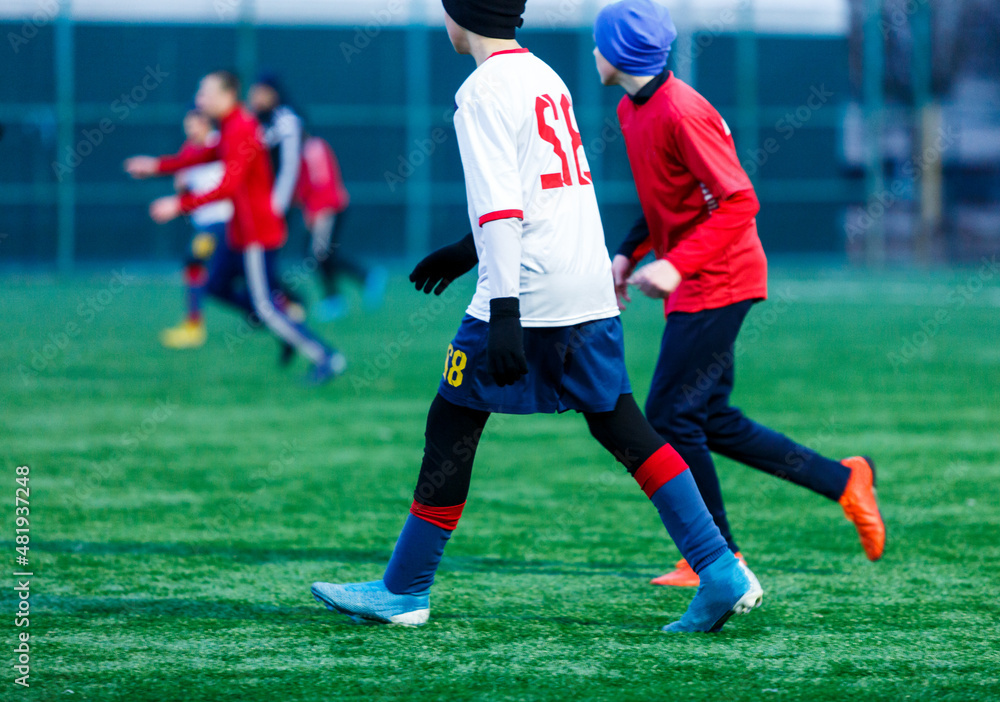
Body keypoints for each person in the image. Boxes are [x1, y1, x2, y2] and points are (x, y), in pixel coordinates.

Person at [310, 0, 763, 633]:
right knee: (621, 424)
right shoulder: (544, 75)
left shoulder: (481, 91)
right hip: (582, 285)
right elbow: (540, 191)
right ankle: (719, 569)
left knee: (452, 422)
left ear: (461, 17)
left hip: (526, 289)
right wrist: (466, 249)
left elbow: (502, 209)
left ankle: (405, 591)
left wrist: (501, 311)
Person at [592, 0, 885, 587]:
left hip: (721, 278)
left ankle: (717, 557)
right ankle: (843, 480)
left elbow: (739, 201)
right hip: (698, 276)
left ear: (618, 51)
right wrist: (629, 252)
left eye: (599, 42)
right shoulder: (632, 109)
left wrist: (675, 266)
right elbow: (667, 201)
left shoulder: (682, 111)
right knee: (709, 417)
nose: (593, 52)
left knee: (670, 416)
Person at [124, 70, 346, 384]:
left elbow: (228, 186)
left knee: (265, 306)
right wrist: (156, 167)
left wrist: (179, 204)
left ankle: (327, 358)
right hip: (240, 231)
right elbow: (206, 155)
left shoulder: (241, 127)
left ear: (227, 95)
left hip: (256, 232)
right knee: (215, 286)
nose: (200, 100)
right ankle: (282, 324)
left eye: (205, 93)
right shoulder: (232, 127)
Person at [159, 107, 233, 350]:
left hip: (222, 221)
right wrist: (180, 187)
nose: (191, 130)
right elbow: (185, 188)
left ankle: (194, 326)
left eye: (195, 125)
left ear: (206, 123)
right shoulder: (189, 151)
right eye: (187, 126)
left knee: (194, 261)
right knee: (226, 276)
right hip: (204, 222)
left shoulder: (220, 145)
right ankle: (285, 303)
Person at [293, 132, 388, 321]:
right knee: (323, 254)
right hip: (321, 209)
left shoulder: (313, 148)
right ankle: (361, 280)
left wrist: (317, 213)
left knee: (318, 254)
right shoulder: (300, 151)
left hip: (328, 208)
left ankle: (342, 294)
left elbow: (322, 183)